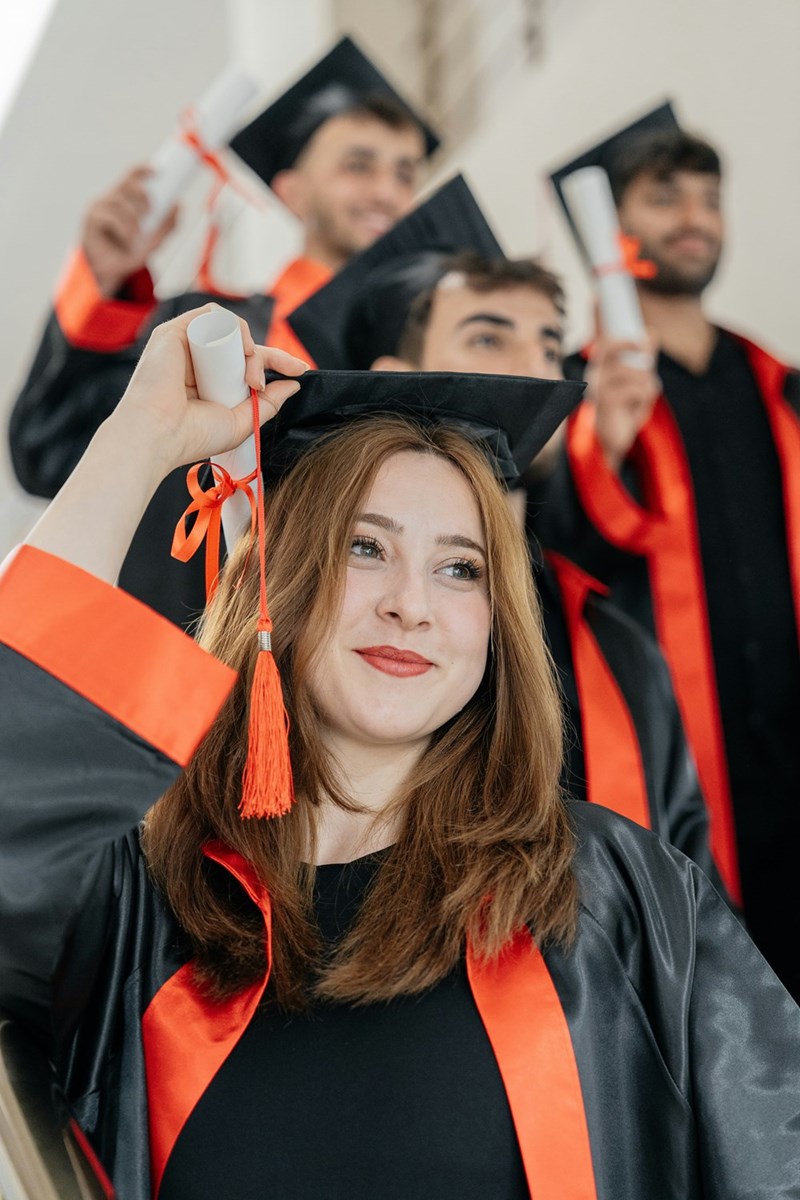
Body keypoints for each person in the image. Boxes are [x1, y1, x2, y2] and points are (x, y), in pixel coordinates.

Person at [1, 305, 798, 1200]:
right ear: (281, 575)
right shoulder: (141, 914)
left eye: (461, 568)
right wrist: (137, 439)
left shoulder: (615, 895)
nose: (411, 605)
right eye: (364, 547)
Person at [289, 237, 722, 888]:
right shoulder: (321, 616)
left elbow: (692, 909)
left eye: (551, 346)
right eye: (490, 339)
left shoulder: (618, 646)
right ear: (396, 376)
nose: (540, 369)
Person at [8, 36, 437, 627]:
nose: (387, 191)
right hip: (172, 657)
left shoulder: (417, 364)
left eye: (405, 173)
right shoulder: (201, 329)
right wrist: (105, 287)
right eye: (358, 165)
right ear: (292, 191)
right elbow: (46, 450)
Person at [544, 113, 800, 993]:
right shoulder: (570, 394)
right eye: (665, 197)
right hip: (672, 756)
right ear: (610, 231)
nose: (695, 216)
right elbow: (545, 557)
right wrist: (597, 446)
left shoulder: (780, 383)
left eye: (708, 197)